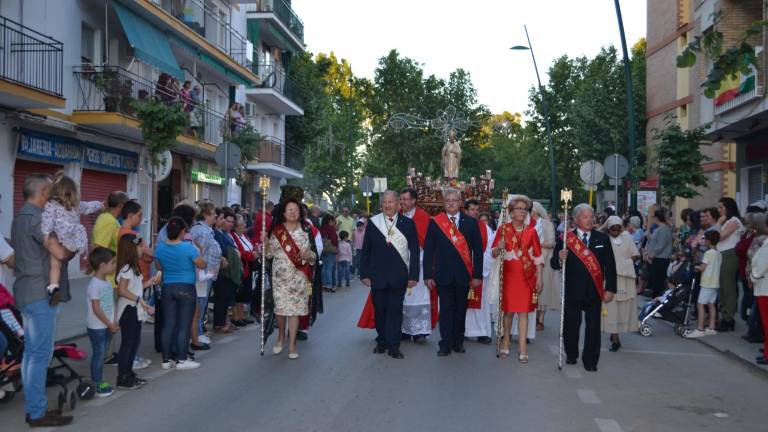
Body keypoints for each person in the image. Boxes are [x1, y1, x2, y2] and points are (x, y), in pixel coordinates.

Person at [12, 173, 74, 426]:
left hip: (25, 291)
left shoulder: (19, 218)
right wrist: (74, 245)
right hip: (39, 294)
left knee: (31, 354)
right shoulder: (38, 219)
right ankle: (37, 412)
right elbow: (59, 252)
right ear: (44, 194)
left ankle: (35, 408)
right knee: (39, 355)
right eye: (51, 192)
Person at [551, 203, 617, 372]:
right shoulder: (565, 239)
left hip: (594, 290)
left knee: (593, 327)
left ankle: (591, 361)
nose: (589, 220)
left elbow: (610, 266)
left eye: (591, 216)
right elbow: (553, 264)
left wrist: (610, 288)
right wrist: (559, 257)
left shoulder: (602, 238)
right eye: (585, 217)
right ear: (575, 219)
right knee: (572, 325)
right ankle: (571, 354)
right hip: (573, 290)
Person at [360, 191, 420, 359]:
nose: (387, 205)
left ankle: (394, 345)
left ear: (398, 204)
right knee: (380, 310)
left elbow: (414, 251)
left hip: (399, 275)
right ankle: (381, 341)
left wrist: (413, 275)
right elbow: (366, 250)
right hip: (377, 276)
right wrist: (364, 273)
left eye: (391, 202)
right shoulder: (373, 223)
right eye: (385, 202)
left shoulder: (408, 224)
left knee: (395, 311)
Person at [423, 188, 483, 356]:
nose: (450, 203)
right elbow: (428, 250)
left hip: (464, 275)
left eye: (454, 200)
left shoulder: (471, 223)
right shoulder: (435, 222)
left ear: (460, 202)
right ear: (444, 203)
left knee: (460, 309)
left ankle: (458, 341)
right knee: (446, 310)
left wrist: (477, 275)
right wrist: (428, 275)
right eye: (447, 200)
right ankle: (445, 343)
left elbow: (478, 251)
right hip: (442, 275)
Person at [489, 195, 543, 362]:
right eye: (519, 209)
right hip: (510, 277)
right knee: (508, 312)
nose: (523, 212)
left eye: (525, 209)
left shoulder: (531, 232)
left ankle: (522, 349)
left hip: (527, 278)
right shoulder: (504, 230)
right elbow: (493, 253)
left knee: (524, 313)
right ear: (511, 212)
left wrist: (540, 279)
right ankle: (505, 342)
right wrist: (499, 246)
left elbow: (538, 258)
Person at [265, 199, 317, 359]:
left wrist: (309, 256)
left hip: (299, 277)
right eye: (289, 210)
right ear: (284, 213)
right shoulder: (277, 231)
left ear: (300, 212)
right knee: (281, 310)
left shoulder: (307, 231)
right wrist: (265, 243)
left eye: (296, 210)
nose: (293, 212)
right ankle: (281, 336)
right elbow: (269, 254)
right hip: (280, 277)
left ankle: (292, 344)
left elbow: (314, 255)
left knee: (294, 311)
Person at [41, 172, 103, 304]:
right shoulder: (75, 206)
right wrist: (100, 204)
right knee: (60, 262)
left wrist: (46, 236)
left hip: (60, 239)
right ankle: (55, 288)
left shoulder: (51, 205)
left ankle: (53, 288)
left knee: (55, 265)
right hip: (73, 241)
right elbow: (88, 207)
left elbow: (47, 221)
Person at [154, 217, 207, 370]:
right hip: (186, 287)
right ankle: (182, 360)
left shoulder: (160, 247)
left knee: (168, 324)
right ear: (183, 232)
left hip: (168, 287)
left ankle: (166, 360)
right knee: (184, 324)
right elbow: (201, 264)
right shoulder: (188, 248)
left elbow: (158, 265)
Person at [115, 234, 158, 388]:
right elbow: (122, 290)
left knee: (134, 342)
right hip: (128, 309)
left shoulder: (133, 267)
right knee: (128, 343)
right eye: (140, 247)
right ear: (131, 249)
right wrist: (141, 301)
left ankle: (129, 374)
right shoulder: (127, 268)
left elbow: (135, 288)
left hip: (133, 308)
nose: (142, 249)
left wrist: (148, 283)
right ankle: (123, 377)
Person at [600, 216, 640, 351]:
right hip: (610, 279)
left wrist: (625, 265)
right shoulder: (604, 239)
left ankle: (617, 332)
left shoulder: (627, 238)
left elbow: (635, 254)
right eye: (613, 229)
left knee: (623, 307)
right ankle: (615, 337)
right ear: (608, 228)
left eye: (618, 229)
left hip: (625, 278)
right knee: (611, 307)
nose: (615, 232)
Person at [85, 247, 118, 398]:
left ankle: (98, 379)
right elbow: (96, 308)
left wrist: (114, 320)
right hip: (97, 327)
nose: (114, 266)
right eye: (112, 263)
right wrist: (109, 323)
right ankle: (97, 382)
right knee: (99, 354)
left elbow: (110, 304)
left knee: (103, 353)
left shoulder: (106, 283)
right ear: (102, 265)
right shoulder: (94, 285)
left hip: (107, 325)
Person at [464, 199, 494, 344]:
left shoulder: (485, 228)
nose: (474, 212)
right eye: (471, 209)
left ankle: (482, 332)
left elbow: (489, 249)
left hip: (479, 272)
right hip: (463, 271)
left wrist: (479, 269)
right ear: (465, 210)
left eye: (476, 209)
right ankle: (463, 330)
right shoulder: (459, 225)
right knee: (463, 302)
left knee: (481, 303)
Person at [686, 231, 722, 338]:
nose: (703, 241)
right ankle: (711, 327)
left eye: (704, 239)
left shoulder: (708, 253)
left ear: (708, 241)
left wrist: (695, 267)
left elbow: (702, 268)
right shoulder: (718, 253)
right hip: (715, 283)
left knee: (700, 305)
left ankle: (700, 328)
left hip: (707, 283)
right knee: (711, 305)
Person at [716, 197, 744, 331]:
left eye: (721, 207)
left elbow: (719, 237)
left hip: (730, 255)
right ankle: (724, 315)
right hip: (722, 254)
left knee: (728, 287)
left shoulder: (734, 221)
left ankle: (729, 317)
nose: (719, 210)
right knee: (722, 286)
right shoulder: (727, 221)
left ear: (729, 207)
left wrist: (718, 222)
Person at [212, 208, 240, 333]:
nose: (224, 222)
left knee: (225, 297)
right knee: (221, 297)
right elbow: (221, 250)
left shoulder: (220, 233)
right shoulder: (215, 233)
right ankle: (219, 323)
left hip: (227, 268)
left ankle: (223, 321)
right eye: (222, 219)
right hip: (221, 270)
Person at [532, 202, 558, 332]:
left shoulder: (546, 223)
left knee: (544, 289)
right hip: (529, 259)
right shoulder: (526, 222)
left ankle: (541, 319)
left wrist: (536, 243)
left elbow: (552, 243)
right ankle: (532, 315)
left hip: (545, 258)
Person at [748, 213, 768, 365]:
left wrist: (753, 278)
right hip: (763, 286)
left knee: (766, 323)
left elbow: (762, 265)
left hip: (764, 287)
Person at [230, 215, 256, 326]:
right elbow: (240, 252)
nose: (245, 225)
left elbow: (249, 247)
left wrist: (255, 252)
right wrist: (253, 255)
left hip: (248, 266)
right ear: (236, 227)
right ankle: (237, 317)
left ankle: (241, 316)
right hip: (242, 266)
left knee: (244, 293)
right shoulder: (234, 236)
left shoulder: (243, 235)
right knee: (239, 294)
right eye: (242, 224)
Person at [645, 208, 673, 297]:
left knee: (658, 282)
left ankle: (657, 300)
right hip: (657, 258)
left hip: (661, 258)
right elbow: (650, 239)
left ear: (656, 218)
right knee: (656, 281)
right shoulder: (659, 228)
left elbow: (660, 245)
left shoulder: (664, 229)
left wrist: (651, 255)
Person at [320, 214, 339, 291]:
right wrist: (336, 247)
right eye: (334, 221)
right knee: (329, 268)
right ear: (330, 221)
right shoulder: (331, 228)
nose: (334, 222)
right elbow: (334, 239)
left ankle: (324, 284)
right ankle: (329, 285)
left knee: (324, 267)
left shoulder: (322, 228)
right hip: (330, 249)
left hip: (323, 249)